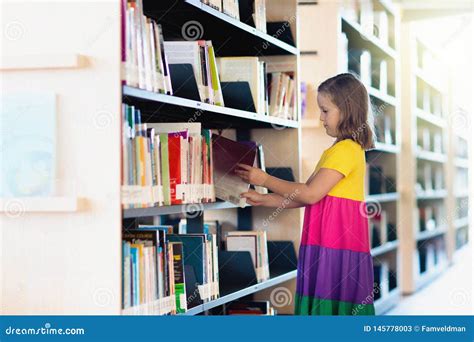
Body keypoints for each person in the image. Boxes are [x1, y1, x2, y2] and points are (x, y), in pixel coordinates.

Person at [235, 73, 376, 315]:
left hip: (336, 243)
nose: (321, 118)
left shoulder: (347, 150)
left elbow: (310, 194)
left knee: (331, 308)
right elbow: (304, 194)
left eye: (325, 111)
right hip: (327, 241)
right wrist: (266, 198)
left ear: (346, 109)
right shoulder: (337, 149)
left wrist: (265, 179)